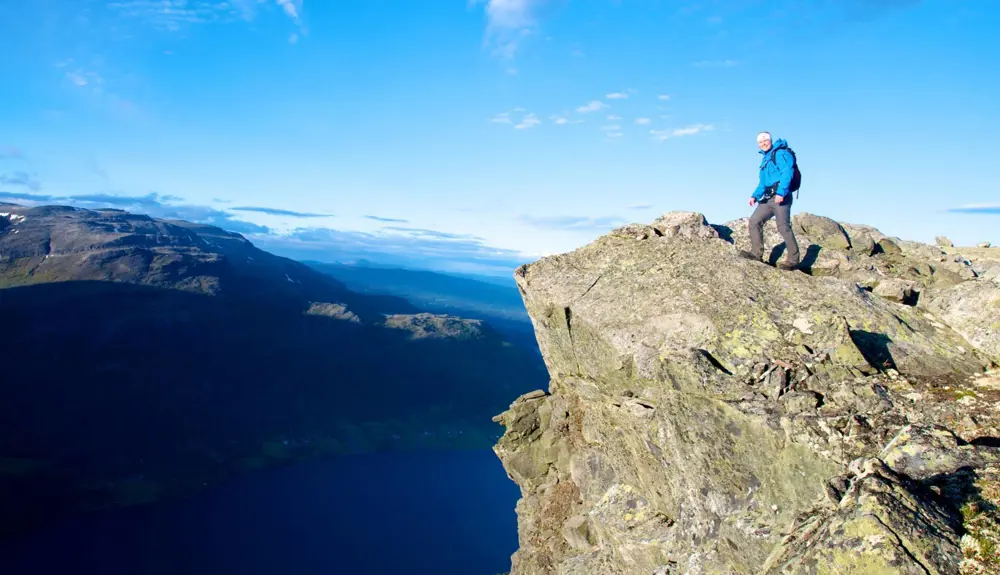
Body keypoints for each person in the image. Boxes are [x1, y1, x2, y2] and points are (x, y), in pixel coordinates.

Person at [739, 131, 801, 270]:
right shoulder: (766, 158)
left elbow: (787, 172)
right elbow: (763, 182)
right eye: (760, 142)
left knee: (783, 227)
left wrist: (781, 192)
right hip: (768, 197)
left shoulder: (780, 153)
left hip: (781, 197)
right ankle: (756, 253)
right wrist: (754, 196)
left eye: (765, 141)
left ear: (770, 140)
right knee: (754, 221)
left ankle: (793, 260)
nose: (763, 144)